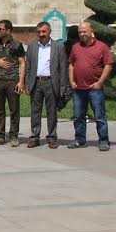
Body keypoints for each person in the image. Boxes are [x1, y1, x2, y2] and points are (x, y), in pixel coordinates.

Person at [68, 21, 114, 151]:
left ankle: (104, 140)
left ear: (91, 31)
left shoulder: (102, 46)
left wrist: (100, 82)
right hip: (78, 89)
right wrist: (71, 80)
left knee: (99, 116)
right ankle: (79, 139)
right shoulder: (76, 47)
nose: (82, 34)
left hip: (95, 89)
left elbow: (108, 64)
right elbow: (71, 64)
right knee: (78, 116)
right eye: (80, 32)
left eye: (84, 31)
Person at [24, 21, 69, 149]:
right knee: (35, 111)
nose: (41, 34)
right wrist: (28, 83)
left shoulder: (58, 47)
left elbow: (63, 69)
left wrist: (62, 87)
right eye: (39, 32)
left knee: (52, 112)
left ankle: (52, 137)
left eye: (44, 31)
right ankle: (34, 137)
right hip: (36, 83)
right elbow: (28, 67)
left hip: (51, 83)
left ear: (49, 31)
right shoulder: (32, 47)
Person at [0, 20, 26, 147]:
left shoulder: (17, 45)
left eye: (0, 29)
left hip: (12, 80)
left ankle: (14, 136)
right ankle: (0, 135)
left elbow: (22, 63)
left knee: (14, 110)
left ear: (8, 31)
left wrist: (21, 81)